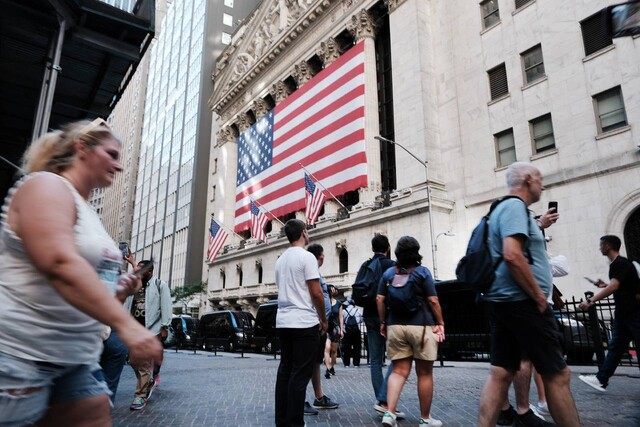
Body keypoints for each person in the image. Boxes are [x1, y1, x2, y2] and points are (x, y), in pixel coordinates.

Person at [0, 119, 162, 427]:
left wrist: (121, 289)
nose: (119, 166)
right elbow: (59, 263)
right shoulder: (45, 185)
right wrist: (127, 326)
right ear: (82, 148)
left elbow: (87, 289)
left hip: (76, 359)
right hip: (20, 354)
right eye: (112, 154)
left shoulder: (90, 213)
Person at [477, 162, 580, 427]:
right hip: (523, 302)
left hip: (503, 301)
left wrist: (539, 223)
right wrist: (538, 296)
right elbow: (512, 254)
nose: (542, 184)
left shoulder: (505, 210)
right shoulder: (514, 207)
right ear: (526, 179)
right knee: (558, 375)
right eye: (539, 179)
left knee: (500, 373)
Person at [376, 236, 445, 427]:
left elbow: (379, 299)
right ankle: (425, 418)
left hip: (395, 326)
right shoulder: (423, 272)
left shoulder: (389, 274)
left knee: (398, 372)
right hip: (422, 327)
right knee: (424, 374)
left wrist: (383, 322)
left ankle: (389, 414)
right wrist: (440, 321)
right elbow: (433, 300)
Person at [274, 219, 328, 427]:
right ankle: (295, 422)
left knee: (285, 371)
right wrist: (323, 319)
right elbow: (316, 292)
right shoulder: (307, 257)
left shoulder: (280, 260)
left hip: (284, 321)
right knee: (300, 373)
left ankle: (282, 420)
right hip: (304, 321)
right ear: (304, 233)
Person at [578, 235, 640, 392]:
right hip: (624, 314)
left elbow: (614, 287)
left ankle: (601, 379)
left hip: (633, 313)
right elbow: (620, 286)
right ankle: (601, 379)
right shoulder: (619, 264)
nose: (600, 248)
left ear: (608, 246)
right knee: (616, 348)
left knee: (617, 347)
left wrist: (590, 300)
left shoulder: (620, 263)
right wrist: (605, 285)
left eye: (601, 245)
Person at [363, 234, 404, 418]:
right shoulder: (392, 265)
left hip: (369, 315)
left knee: (375, 360)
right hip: (387, 316)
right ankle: (384, 398)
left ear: (373, 248)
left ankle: (382, 401)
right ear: (388, 247)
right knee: (398, 357)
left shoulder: (366, 265)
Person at [124, 259, 173, 410]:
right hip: (134, 330)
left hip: (152, 330)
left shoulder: (160, 285)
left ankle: (140, 396)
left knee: (144, 363)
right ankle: (147, 382)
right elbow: (127, 305)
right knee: (133, 361)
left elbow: (166, 306)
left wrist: (165, 327)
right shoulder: (135, 286)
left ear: (150, 273)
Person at [304, 243, 339, 415]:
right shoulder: (310, 272)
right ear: (322, 257)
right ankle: (300, 400)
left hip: (319, 326)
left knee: (315, 362)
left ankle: (319, 397)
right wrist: (322, 319)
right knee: (305, 363)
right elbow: (315, 296)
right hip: (314, 324)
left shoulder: (315, 273)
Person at [324, 284, 343, 379]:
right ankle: (327, 369)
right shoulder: (325, 302)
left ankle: (332, 367)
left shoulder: (339, 303)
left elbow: (340, 317)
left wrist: (342, 330)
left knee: (334, 351)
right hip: (326, 327)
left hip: (335, 328)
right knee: (327, 348)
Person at [342, 299, 363, 367]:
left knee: (346, 347)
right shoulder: (358, 310)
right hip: (356, 331)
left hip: (347, 331)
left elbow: (342, 320)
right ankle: (356, 363)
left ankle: (346, 363)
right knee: (357, 347)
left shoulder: (344, 311)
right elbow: (361, 320)